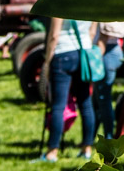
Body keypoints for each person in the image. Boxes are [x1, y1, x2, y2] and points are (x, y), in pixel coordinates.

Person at [40, 17, 97, 161]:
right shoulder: (91, 3)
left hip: (62, 52)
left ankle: (52, 151)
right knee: (86, 103)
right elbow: (92, 32)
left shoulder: (60, 2)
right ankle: (87, 149)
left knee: (58, 105)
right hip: (84, 53)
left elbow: (54, 35)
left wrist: (46, 62)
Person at [92, 21, 124, 140]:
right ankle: (91, 137)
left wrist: (95, 60)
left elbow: (103, 35)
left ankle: (108, 137)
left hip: (106, 51)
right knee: (97, 99)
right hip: (110, 50)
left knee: (103, 98)